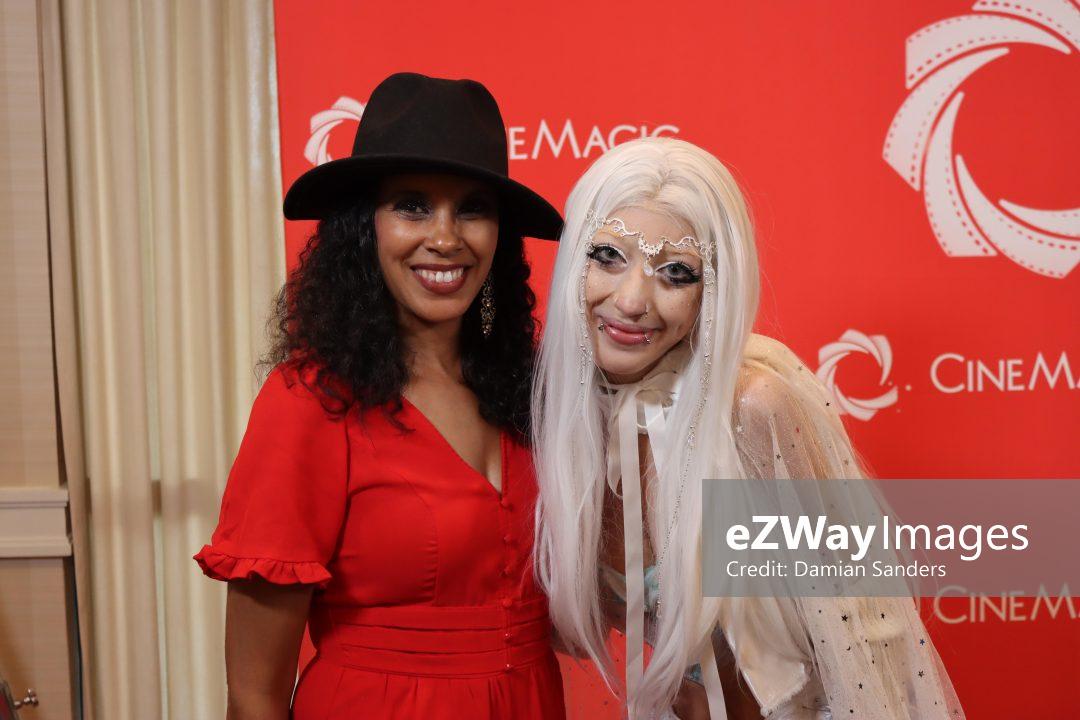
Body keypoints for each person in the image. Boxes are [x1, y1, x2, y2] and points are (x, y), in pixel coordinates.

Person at [531, 137, 967, 719]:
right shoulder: (560, 415)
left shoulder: (754, 409)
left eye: (676, 272)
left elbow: (861, 637)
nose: (632, 300)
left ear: (715, 291)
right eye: (608, 256)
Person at [195, 72, 566, 720]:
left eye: (472, 208)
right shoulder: (309, 403)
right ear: (364, 228)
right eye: (412, 206)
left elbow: (656, 569)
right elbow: (254, 693)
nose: (445, 237)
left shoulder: (536, 393)